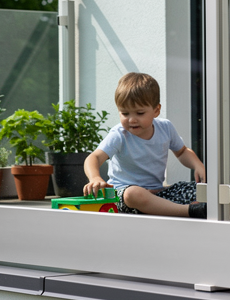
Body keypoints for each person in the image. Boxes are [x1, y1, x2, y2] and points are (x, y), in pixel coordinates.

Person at [84, 73, 208, 219]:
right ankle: (188, 211)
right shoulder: (119, 134)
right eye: (125, 113)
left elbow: (182, 152)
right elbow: (94, 157)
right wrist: (95, 178)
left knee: (213, 191)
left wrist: (197, 165)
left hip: (158, 194)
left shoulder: (165, 128)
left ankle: (196, 208)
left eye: (140, 113)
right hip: (123, 197)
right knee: (133, 194)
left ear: (156, 110)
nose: (132, 119)